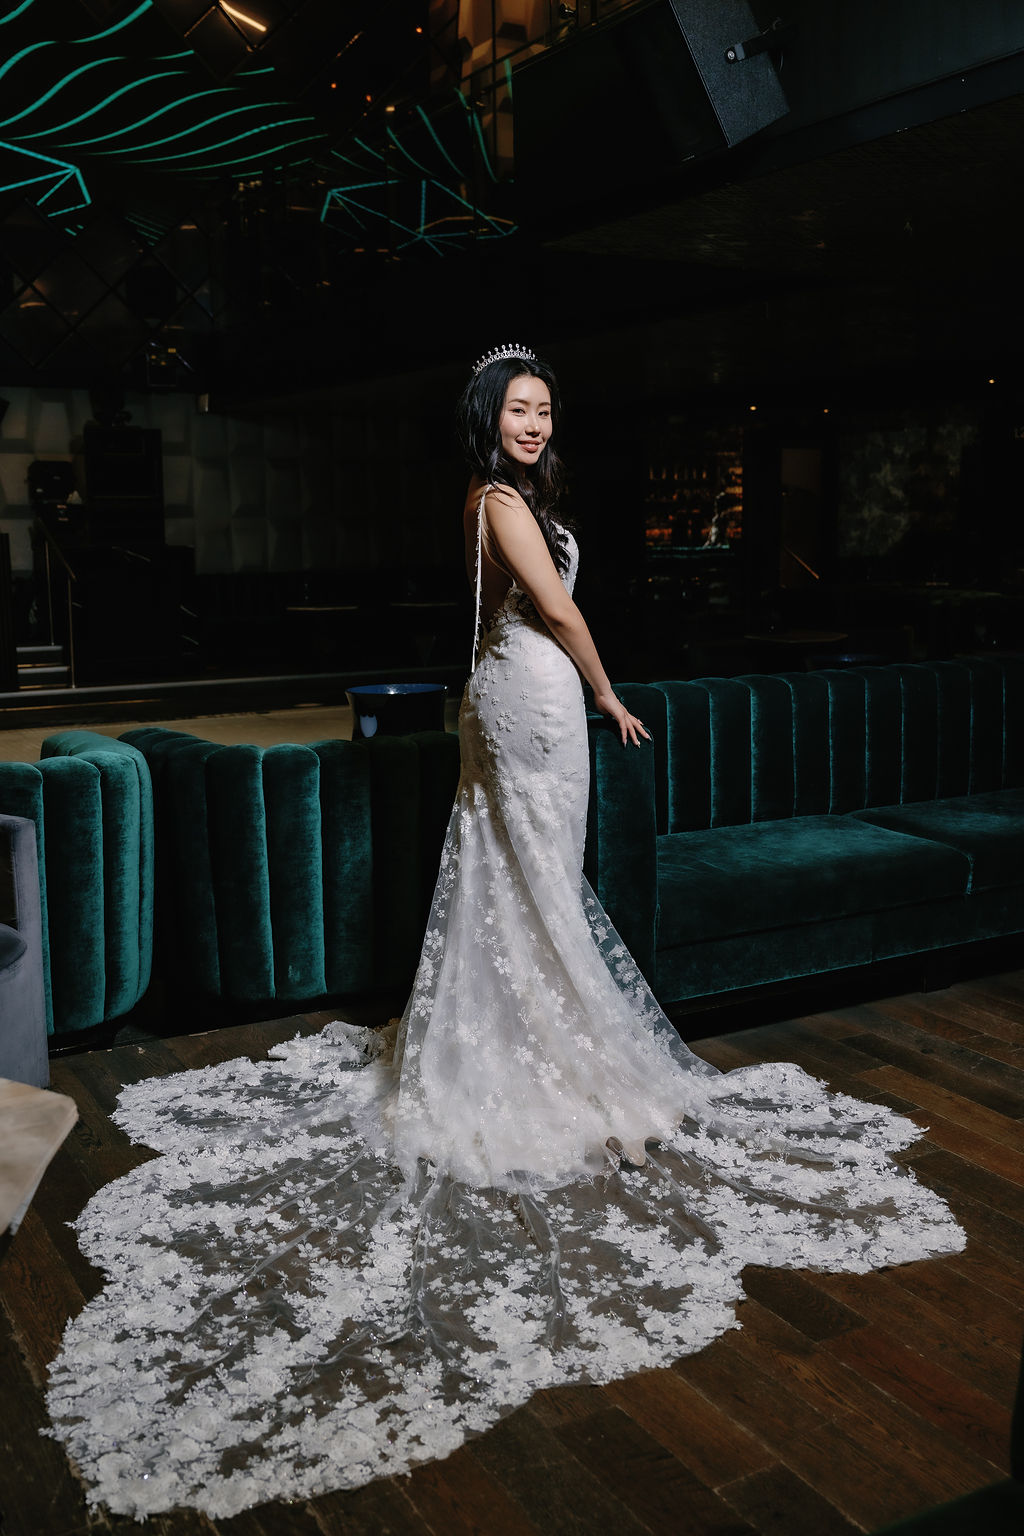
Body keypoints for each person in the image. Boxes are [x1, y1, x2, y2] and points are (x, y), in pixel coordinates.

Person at [46, 346, 966, 1522]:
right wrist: (609, 692)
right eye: (518, 408)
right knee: (533, 881)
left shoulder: (511, 497)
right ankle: (554, 1063)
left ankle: (544, 1041)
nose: (535, 423)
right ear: (489, 416)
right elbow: (561, 610)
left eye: (545, 410)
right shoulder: (495, 501)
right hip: (533, 698)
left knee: (529, 881)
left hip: (514, 693)